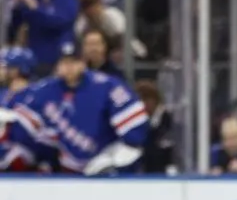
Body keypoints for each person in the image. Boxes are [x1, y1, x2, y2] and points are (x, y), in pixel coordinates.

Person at [6, 42, 148, 174]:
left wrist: (113, 157)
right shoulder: (45, 90)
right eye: (64, 62)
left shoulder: (105, 86)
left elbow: (135, 124)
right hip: (68, 171)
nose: (69, 67)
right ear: (58, 66)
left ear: (83, 63)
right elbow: (17, 113)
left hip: (107, 168)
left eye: (74, 62)